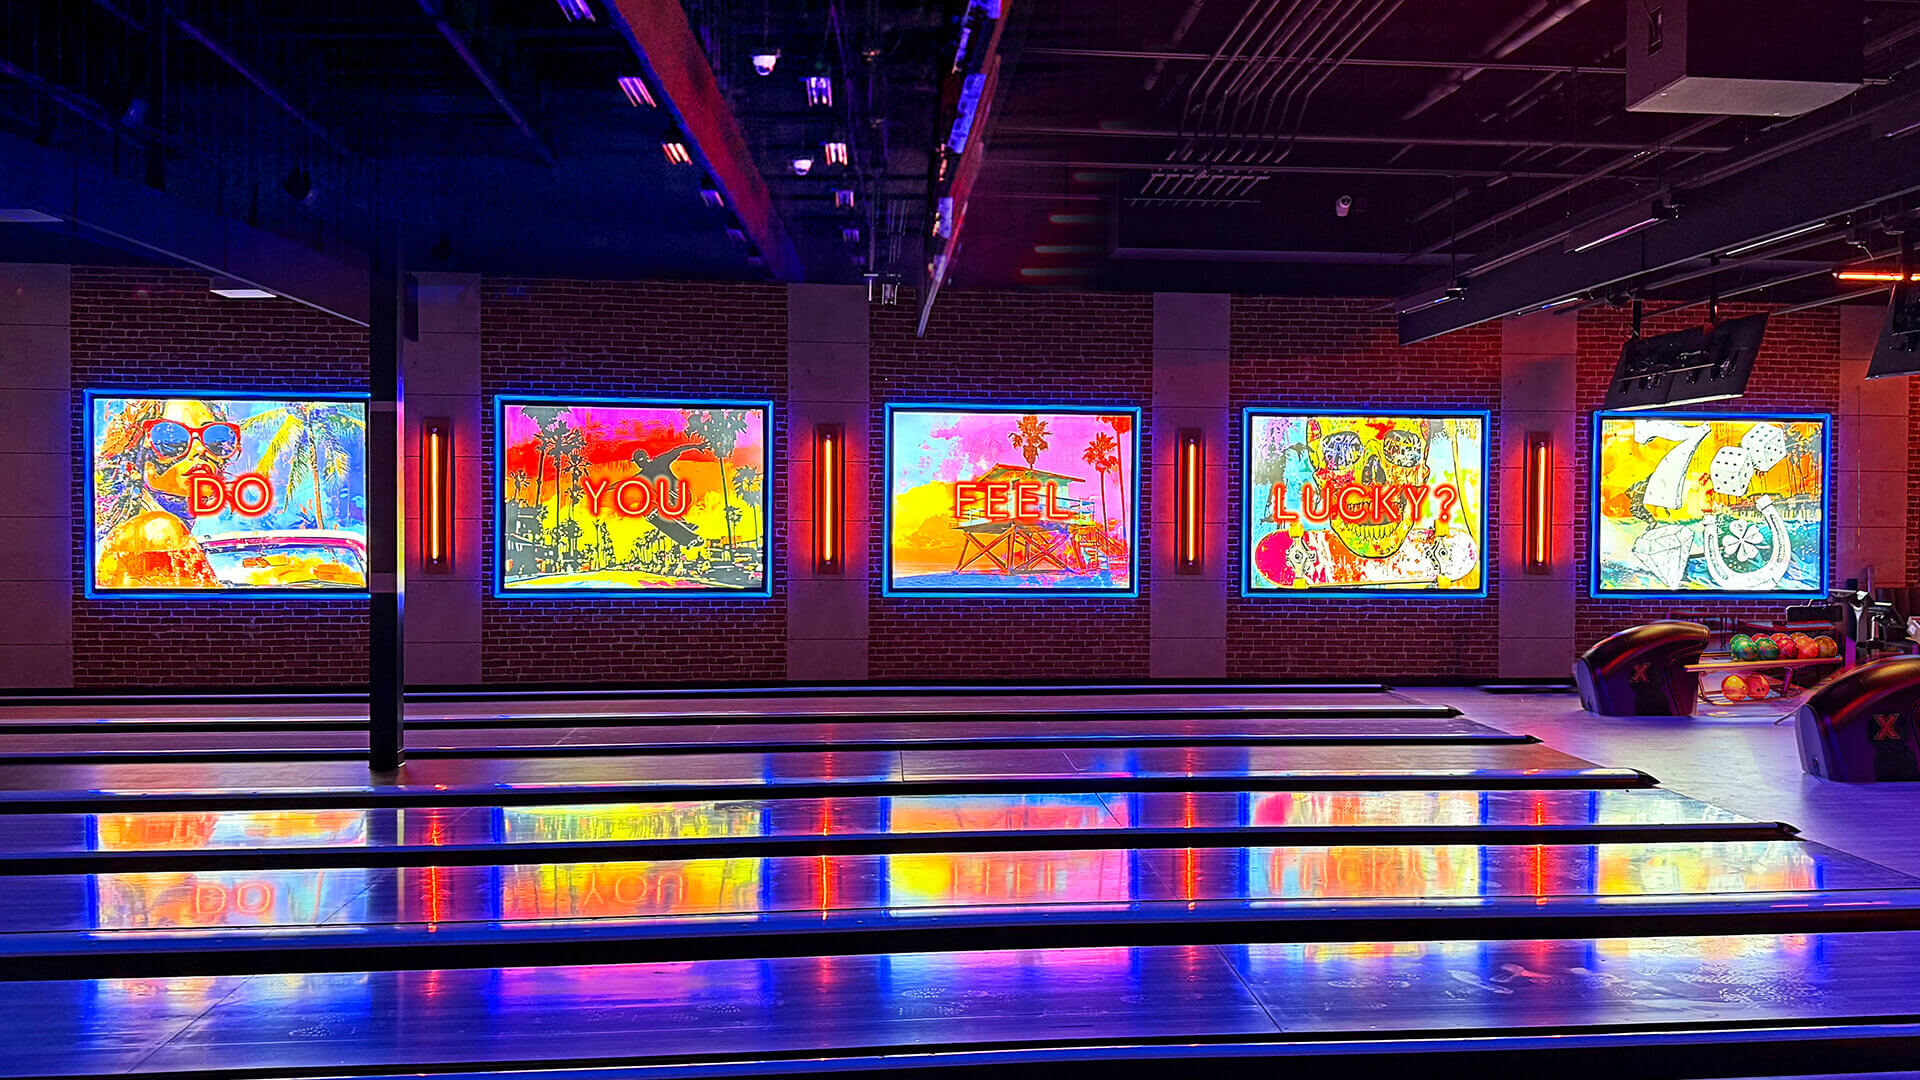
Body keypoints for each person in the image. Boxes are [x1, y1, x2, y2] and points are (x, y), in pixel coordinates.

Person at [93, 399, 241, 589]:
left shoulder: (136, 533)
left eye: (216, 440)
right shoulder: (158, 530)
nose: (200, 449)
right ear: (133, 466)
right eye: (171, 440)